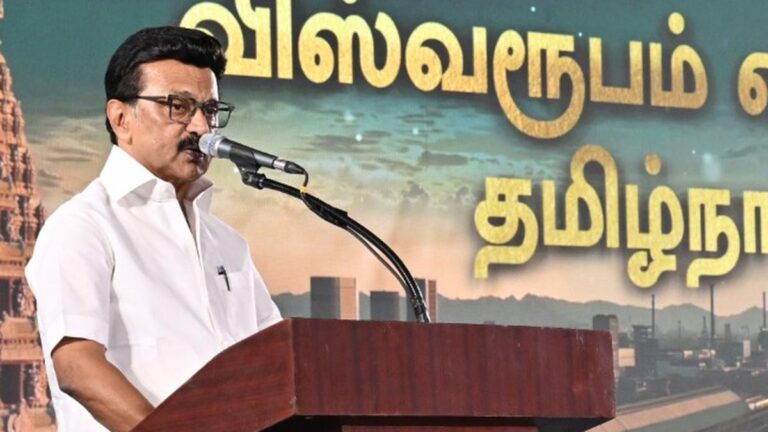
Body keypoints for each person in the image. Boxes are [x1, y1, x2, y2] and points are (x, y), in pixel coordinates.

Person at [25, 27, 282, 432]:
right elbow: (77, 367)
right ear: (121, 118)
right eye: (178, 106)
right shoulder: (83, 226)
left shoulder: (228, 244)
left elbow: (279, 363)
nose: (202, 127)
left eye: (210, 110)